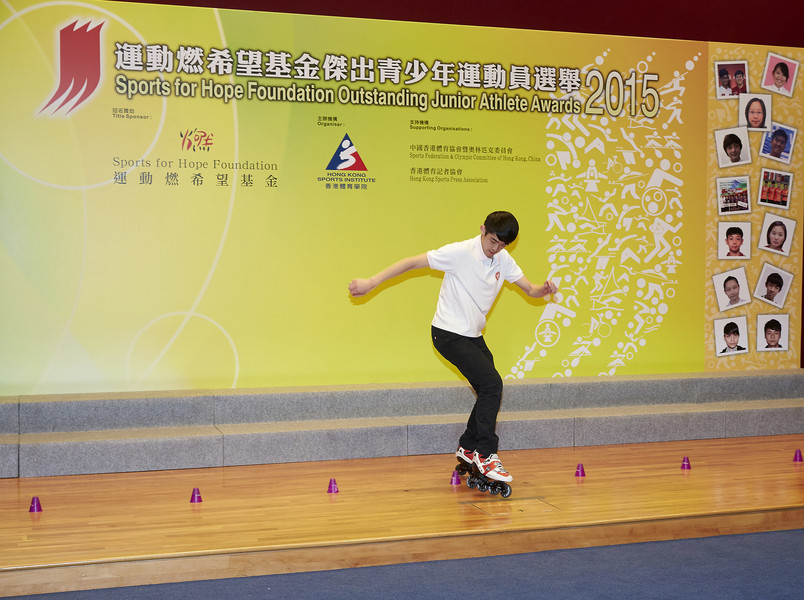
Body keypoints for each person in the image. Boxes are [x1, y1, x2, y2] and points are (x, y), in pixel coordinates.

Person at [348, 211, 557, 484]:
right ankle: (485, 453)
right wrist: (371, 282)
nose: (496, 249)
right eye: (493, 241)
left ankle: (468, 447)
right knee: (492, 384)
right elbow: (412, 262)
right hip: (448, 333)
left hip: (472, 335)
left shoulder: (502, 260)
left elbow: (528, 288)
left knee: (488, 387)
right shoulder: (459, 252)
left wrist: (543, 289)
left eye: (502, 245)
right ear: (483, 229)